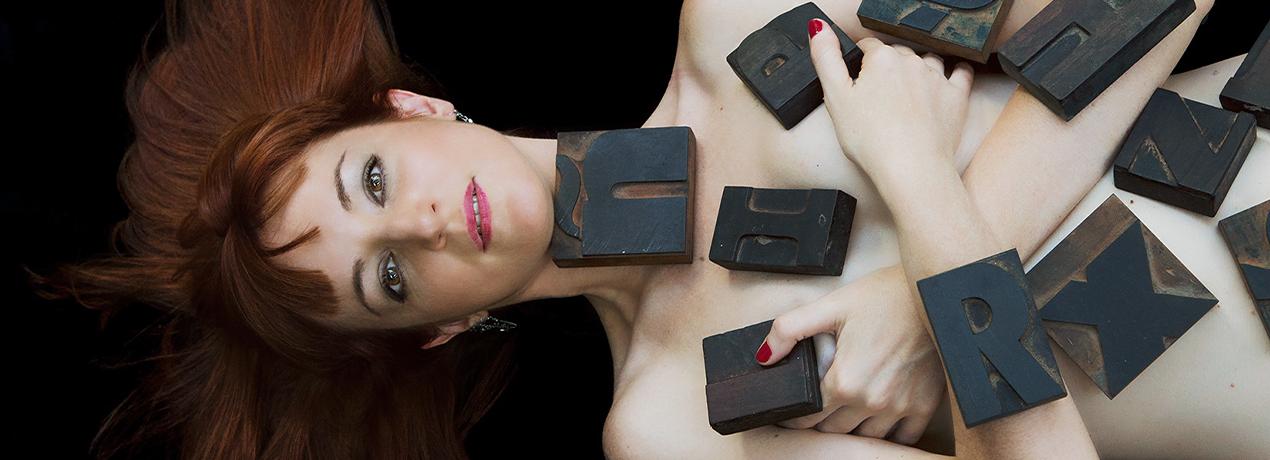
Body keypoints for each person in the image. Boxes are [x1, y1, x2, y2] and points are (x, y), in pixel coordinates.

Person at [28, 0, 1234, 458]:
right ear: (435, 332)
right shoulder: (675, 420)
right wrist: (923, 198)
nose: (425, 226)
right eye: (387, 277)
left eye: (374, 178)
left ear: (409, 107)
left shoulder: (739, 17)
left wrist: (916, 308)